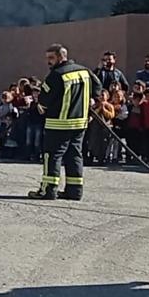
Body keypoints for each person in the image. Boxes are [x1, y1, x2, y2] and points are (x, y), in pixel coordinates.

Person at [28, 44, 101, 201]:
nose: (48, 62)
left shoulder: (57, 75)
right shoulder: (84, 71)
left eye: (51, 58)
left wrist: (41, 105)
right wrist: (91, 101)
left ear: (61, 57)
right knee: (75, 155)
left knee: (52, 156)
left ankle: (48, 190)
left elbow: (44, 98)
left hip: (58, 123)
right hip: (80, 123)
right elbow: (98, 87)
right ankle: (74, 191)